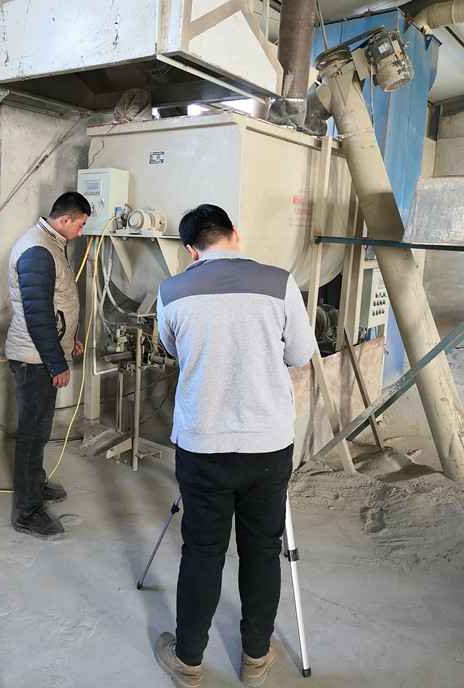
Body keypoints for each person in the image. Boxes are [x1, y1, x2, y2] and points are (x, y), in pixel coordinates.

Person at [154, 204, 316, 688]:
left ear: (191, 250)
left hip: (202, 444)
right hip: (267, 445)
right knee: (262, 551)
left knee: (202, 551)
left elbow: (172, 348)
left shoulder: (171, 291)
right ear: (235, 234)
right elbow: (300, 353)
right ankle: (255, 658)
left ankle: (188, 660)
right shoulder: (280, 283)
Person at [5, 191, 91, 539]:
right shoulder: (38, 250)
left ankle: (35, 485)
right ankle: (27, 512)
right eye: (81, 224)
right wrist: (57, 363)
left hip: (42, 354)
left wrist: (70, 338)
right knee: (32, 434)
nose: (82, 232)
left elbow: (55, 304)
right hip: (34, 360)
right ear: (65, 219)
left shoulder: (50, 244)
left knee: (39, 431)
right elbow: (37, 315)